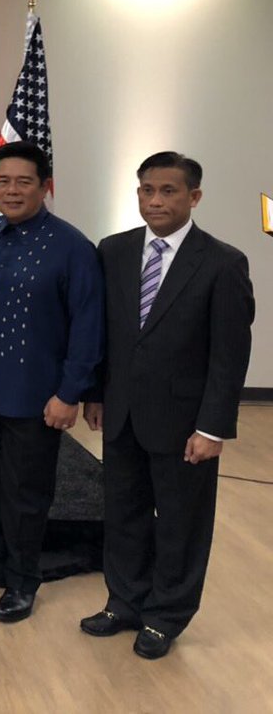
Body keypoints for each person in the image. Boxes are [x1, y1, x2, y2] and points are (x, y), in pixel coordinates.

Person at [80, 152, 253, 659]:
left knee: (181, 522)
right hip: (122, 414)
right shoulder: (113, 251)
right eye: (146, 190)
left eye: (168, 191)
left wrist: (213, 428)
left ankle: (165, 616)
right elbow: (105, 334)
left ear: (194, 197)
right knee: (124, 514)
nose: (154, 200)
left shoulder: (222, 262)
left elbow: (229, 355)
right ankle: (124, 602)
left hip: (185, 424)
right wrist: (96, 393)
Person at [0, 140, 103, 623]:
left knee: (27, 495)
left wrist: (70, 393)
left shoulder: (74, 247)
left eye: (24, 181)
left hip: (38, 399)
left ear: (45, 187)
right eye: (3, 181)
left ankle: (22, 579)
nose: (12, 190)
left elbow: (88, 328)